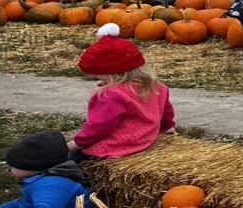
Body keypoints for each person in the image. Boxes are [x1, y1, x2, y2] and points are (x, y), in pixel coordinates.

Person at [67, 25, 176, 161]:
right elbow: (166, 111)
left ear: (113, 74)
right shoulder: (157, 86)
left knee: (64, 158)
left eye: (100, 76)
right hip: (145, 139)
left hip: (119, 145)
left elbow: (99, 126)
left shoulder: (112, 94)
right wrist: (168, 127)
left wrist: (76, 144)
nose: (99, 80)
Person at [0, 131, 90, 208]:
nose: (9, 169)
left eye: (12, 166)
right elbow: (26, 201)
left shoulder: (53, 185)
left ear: (31, 166)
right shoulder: (44, 179)